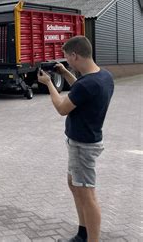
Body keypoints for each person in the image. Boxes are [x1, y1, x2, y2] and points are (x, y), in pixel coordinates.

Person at [37, 36, 114, 242]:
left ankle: (92, 239)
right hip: (86, 141)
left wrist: (49, 84)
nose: (67, 62)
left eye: (67, 59)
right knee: (74, 184)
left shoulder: (87, 84)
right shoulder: (104, 76)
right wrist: (64, 72)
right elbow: (81, 89)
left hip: (83, 145)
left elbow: (62, 108)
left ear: (75, 55)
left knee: (87, 194)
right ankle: (83, 233)